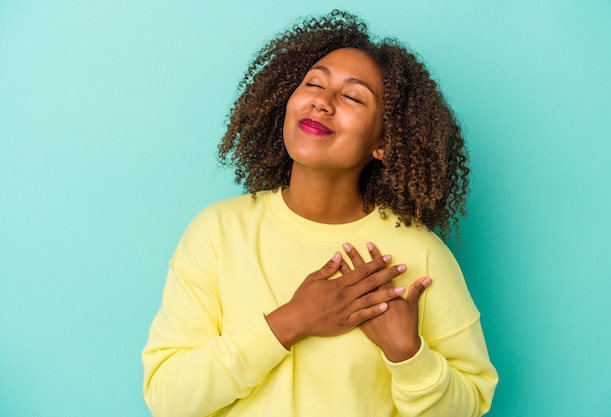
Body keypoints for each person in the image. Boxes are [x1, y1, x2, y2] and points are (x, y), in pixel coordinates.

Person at [142, 9, 498, 417]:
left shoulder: (419, 254)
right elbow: (168, 399)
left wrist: (408, 355)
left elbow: (470, 405)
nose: (322, 102)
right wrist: (293, 320)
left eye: (352, 96)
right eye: (313, 83)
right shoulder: (218, 231)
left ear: (383, 141)